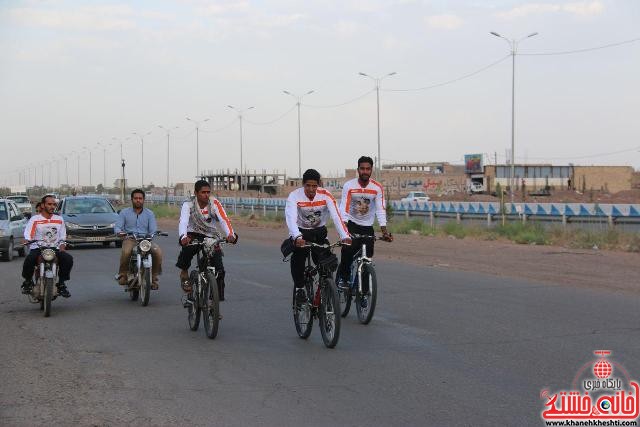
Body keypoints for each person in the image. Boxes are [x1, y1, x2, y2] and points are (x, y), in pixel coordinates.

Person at [285, 169, 351, 305]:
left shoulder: (326, 195)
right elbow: (291, 218)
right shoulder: (294, 196)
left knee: (326, 264)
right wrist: (297, 237)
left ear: (319, 185)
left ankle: (325, 290)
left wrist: (345, 236)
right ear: (303, 184)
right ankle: (299, 289)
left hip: (319, 232)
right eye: (308, 185)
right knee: (298, 258)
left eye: (314, 186)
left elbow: (337, 217)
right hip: (300, 232)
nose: (311, 189)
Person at [336, 156, 393, 289]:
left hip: (368, 227)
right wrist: (343, 231)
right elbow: (344, 208)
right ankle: (344, 279)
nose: (365, 171)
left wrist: (384, 232)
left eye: (368, 169)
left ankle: (364, 293)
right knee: (347, 252)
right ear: (358, 170)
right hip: (352, 224)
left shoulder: (377, 188)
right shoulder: (349, 186)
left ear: (371, 170)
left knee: (367, 259)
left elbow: (380, 210)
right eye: (362, 168)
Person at [176, 180, 237, 300]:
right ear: (196, 193)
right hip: (193, 234)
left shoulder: (214, 203)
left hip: (211, 235)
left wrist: (231, 234)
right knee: (188, 249)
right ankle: (184, 272)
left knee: (219, 269)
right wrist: (183, 237)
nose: (206, 195)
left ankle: (215, 304)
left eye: (208, 192)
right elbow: (183, 221)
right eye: (203, 192)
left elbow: (224, 220)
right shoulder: (188, 204)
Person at [21, 195, 73, 298]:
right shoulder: (35, 219)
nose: (52, 206)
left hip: (54, 248)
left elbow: (62, 235)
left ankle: (61, 283)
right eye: (49, 204)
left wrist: (62, 244)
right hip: (38, 248)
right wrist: (27, 239)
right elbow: (29, 234)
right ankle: (27, 282)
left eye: (54, 204)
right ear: (43, 205)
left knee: (68, 259)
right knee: (29, 259)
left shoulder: (59, 219)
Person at [115, 189, 163, 289]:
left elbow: (153, 229)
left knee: (157, 251)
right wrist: (119, 232)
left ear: (143, 200)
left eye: (140, 198)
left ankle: (153, 278)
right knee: (126, 252)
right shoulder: (124, 213)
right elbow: (117, 227)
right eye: (136, 198)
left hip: (145, 241)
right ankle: (123, 275)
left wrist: (153, 234)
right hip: (130, 239)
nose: (138, 200)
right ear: (132, 200)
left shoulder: (150, 213)